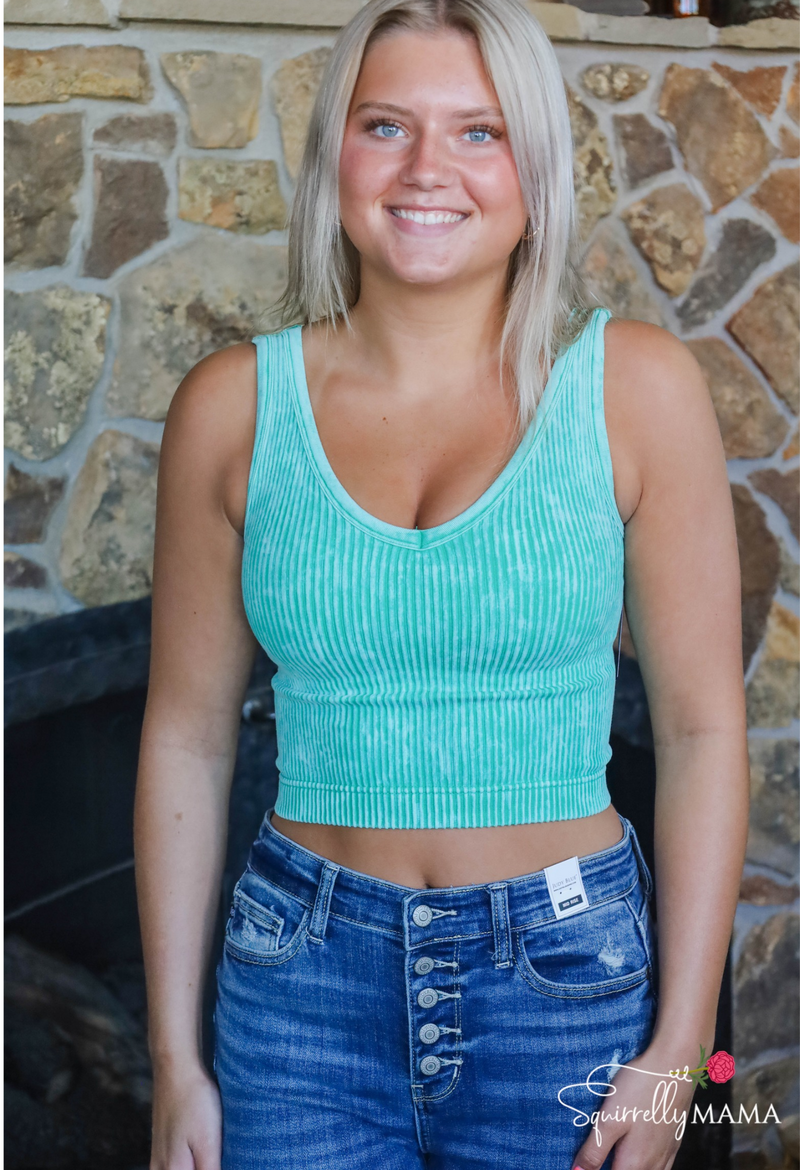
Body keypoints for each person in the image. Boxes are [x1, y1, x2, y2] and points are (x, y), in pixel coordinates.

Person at [134, 1, 749, 1167]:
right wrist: (176, 1060)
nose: (427, 170)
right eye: (385, 126)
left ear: (536, 168)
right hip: (295, 985)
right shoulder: (230, 407)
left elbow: (706, 729)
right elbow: (185, 736)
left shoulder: (633, 390)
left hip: (562, 982)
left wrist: (677, 1050)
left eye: (479, 131)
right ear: (333, 157)